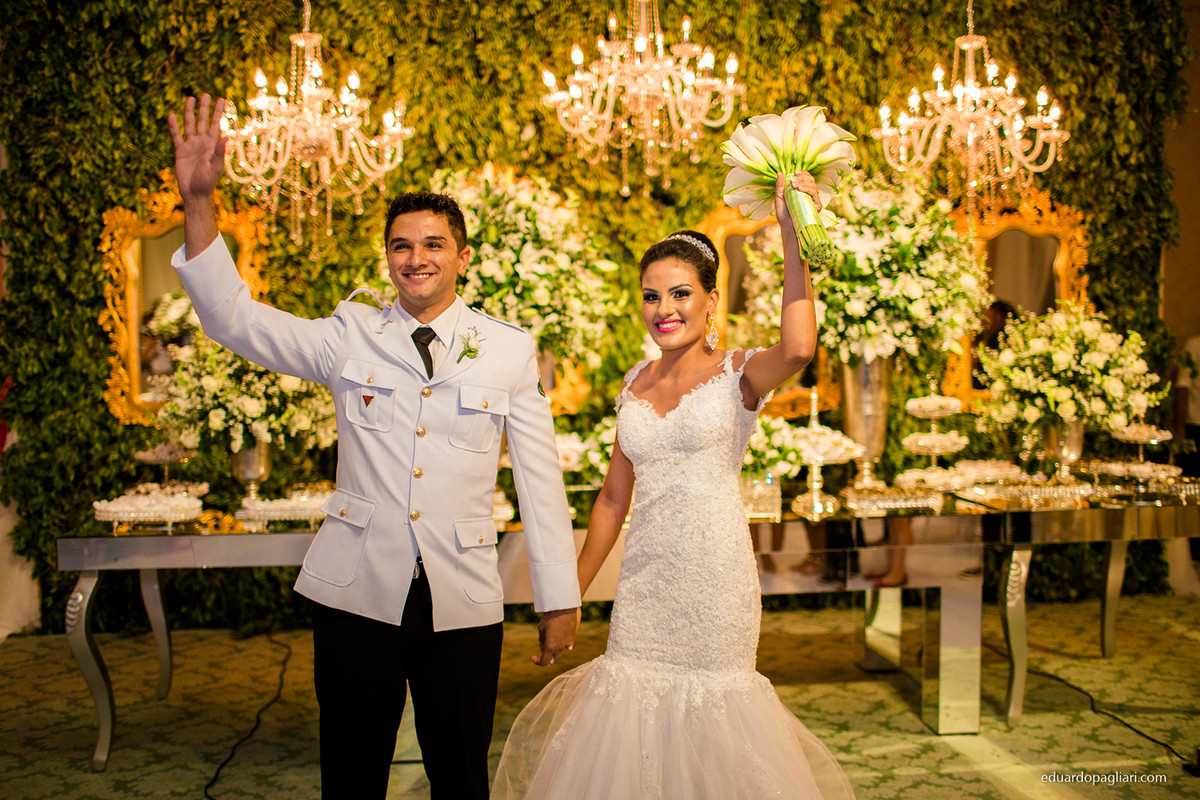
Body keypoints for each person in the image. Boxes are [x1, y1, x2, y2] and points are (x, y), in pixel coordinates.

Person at [167, 95, 581, 800]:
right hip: (356, 591)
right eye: (401, 246)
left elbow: (541, 485)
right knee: (351, 775)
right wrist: (199, 201)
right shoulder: (347, 335)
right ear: (387, 258)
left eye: (433, 244)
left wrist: (558, 597)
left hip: (463, 595)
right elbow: (231, 318)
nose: (416, 259)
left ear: (462, 257)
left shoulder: (508, 350)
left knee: (461, 775)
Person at [492, 172, 855, 799]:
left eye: (681, 293)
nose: (665, 309)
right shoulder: (634, 382)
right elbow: (613, 499)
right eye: (651, 296)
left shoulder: (739, 373)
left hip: (715, 583)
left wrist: (793, 237)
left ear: (711, 300)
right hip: (644, 587)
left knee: (714, 727)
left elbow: (798, 349)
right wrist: (567, 596)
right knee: (633, 723)